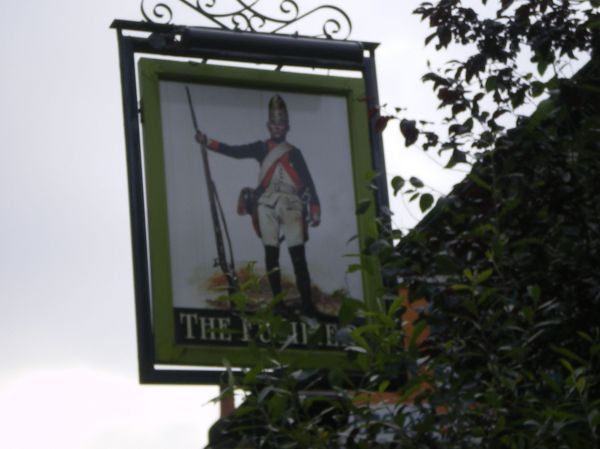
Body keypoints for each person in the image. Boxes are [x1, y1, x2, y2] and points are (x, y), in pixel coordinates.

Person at [195, 95, 322, 317]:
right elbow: (233, 151)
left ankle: (308, 305)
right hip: (266, 204)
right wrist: (208, 142)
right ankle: (279, 305)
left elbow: (308, 180)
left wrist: (314, 206)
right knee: (271, 255)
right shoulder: (259, 148)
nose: (277, 128)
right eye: (274, 124)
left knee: (298, 257)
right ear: (268, 126)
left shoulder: (294, 152)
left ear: (287, 127)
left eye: (281, 124)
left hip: (292, 203)